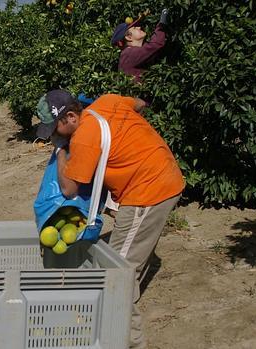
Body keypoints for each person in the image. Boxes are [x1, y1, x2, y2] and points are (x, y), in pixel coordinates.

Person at [36, 89, 184, 349]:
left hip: (147, 192)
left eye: (55, 130)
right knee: (124, 263)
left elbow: (69, 190)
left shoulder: (83, 138)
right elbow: (139, 104)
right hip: (164, 172)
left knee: (116, 275)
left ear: (71, 116)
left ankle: (129, 341)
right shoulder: (108, 101)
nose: (54, 136)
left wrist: (61, 151)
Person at [111, 9, 169, 82]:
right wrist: (162, 23)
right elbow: (155, 45)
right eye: (135, 28)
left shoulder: (129, 53)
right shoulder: (128, 54)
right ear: (128, 37)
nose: (139, 27)